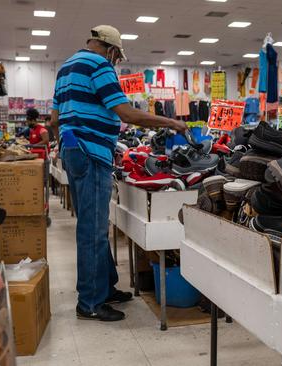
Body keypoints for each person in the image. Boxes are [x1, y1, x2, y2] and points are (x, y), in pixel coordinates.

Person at [52, 25, 188, 322]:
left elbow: (54, 117)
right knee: (93, 230)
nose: (115, 62)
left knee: (95, 225)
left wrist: (71, 138)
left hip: (73, 150)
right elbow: (126, 113)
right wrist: (170, 123)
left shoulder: (65, 68)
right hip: (91, 153)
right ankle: (89, 302)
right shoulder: (100, 65)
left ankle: (105, 288)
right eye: (117, 57)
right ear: (111, 50)